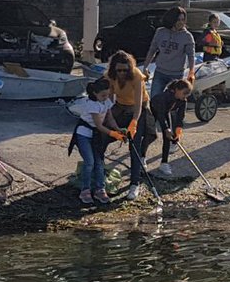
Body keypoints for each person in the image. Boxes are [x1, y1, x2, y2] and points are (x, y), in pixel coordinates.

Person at [106, 50, 156, 200]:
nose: (121, 73)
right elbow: (109, 100)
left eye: (124, 70)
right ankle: (99, 172)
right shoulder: (109, 76)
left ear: (129, 68)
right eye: (118, 70)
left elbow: (138, 104)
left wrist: (134, 122)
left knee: (134, 144)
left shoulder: (136, 76)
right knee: (102, 134)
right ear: (114, 69)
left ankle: (135, 183)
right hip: (120, 106)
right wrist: (111, 122)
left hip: (137, 107)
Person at [67, 78, 125, 205]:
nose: (106, 97)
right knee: (90, 162)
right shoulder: (92, 105)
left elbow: (110, 118)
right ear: (95, 94)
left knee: (99, 162)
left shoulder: (106, 101)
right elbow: (99, 125)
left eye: (107, 95)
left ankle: (100, 189)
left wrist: (118, 129)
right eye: (103, 95)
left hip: (96, 135)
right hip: (84, 133)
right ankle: (85, 190)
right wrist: (112, 134)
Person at [145, 6, 196, 100]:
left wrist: (191, 72)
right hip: (160, 71)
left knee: (173, 102)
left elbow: (191, 56)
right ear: (171, 20)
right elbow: (152, 50)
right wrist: (145, 67)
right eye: (178, 20)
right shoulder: (160, 32)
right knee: (155, 99)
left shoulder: (187, 36)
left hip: (176, 74)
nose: (181, 22)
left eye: (183, 20)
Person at [150, 78, 192, 177]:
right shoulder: (165, 96)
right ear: (177, 89)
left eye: (187, 94)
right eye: (184, 93)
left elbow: (180, 117)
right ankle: (142, 157)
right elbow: (160, 114)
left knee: (168, 137)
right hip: (155, 108)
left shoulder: (182, 101)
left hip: (165, 111)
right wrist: (165, 128)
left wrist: (178, 130)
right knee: (150, 134)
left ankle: (164, 163)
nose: (185, 96)